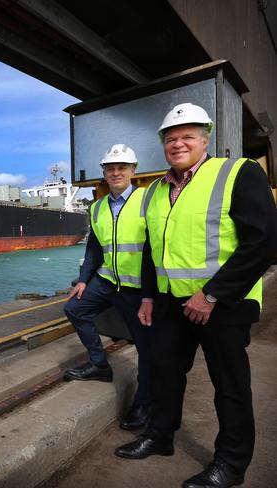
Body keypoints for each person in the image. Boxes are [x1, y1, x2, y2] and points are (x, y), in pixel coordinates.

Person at [114, 103, 277, 488]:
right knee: (166, 372)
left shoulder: (238, 173)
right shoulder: (156, 190)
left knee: (230, 385)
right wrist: (150, 297)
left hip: (224, 303)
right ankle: (160, 436)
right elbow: (156, 247)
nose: (178, 143)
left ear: (206, 139)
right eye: (171, 138)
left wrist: (213, 294)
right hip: (172, 302)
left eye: (187, 136)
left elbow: (264, 243)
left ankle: (231, 465)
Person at [63, 143, 152, 430]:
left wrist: (154, 293)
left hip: (138, 288)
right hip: (107, 281)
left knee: (147, 347)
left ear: (133, 171)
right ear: (104, 172)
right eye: (110, 168)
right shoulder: (98, 206)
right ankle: (99, 365)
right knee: (75, 308)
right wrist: (84, 280)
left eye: (122, 168)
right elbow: (94, 247)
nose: (116, 173)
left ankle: (144, 402)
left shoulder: (149, 200)